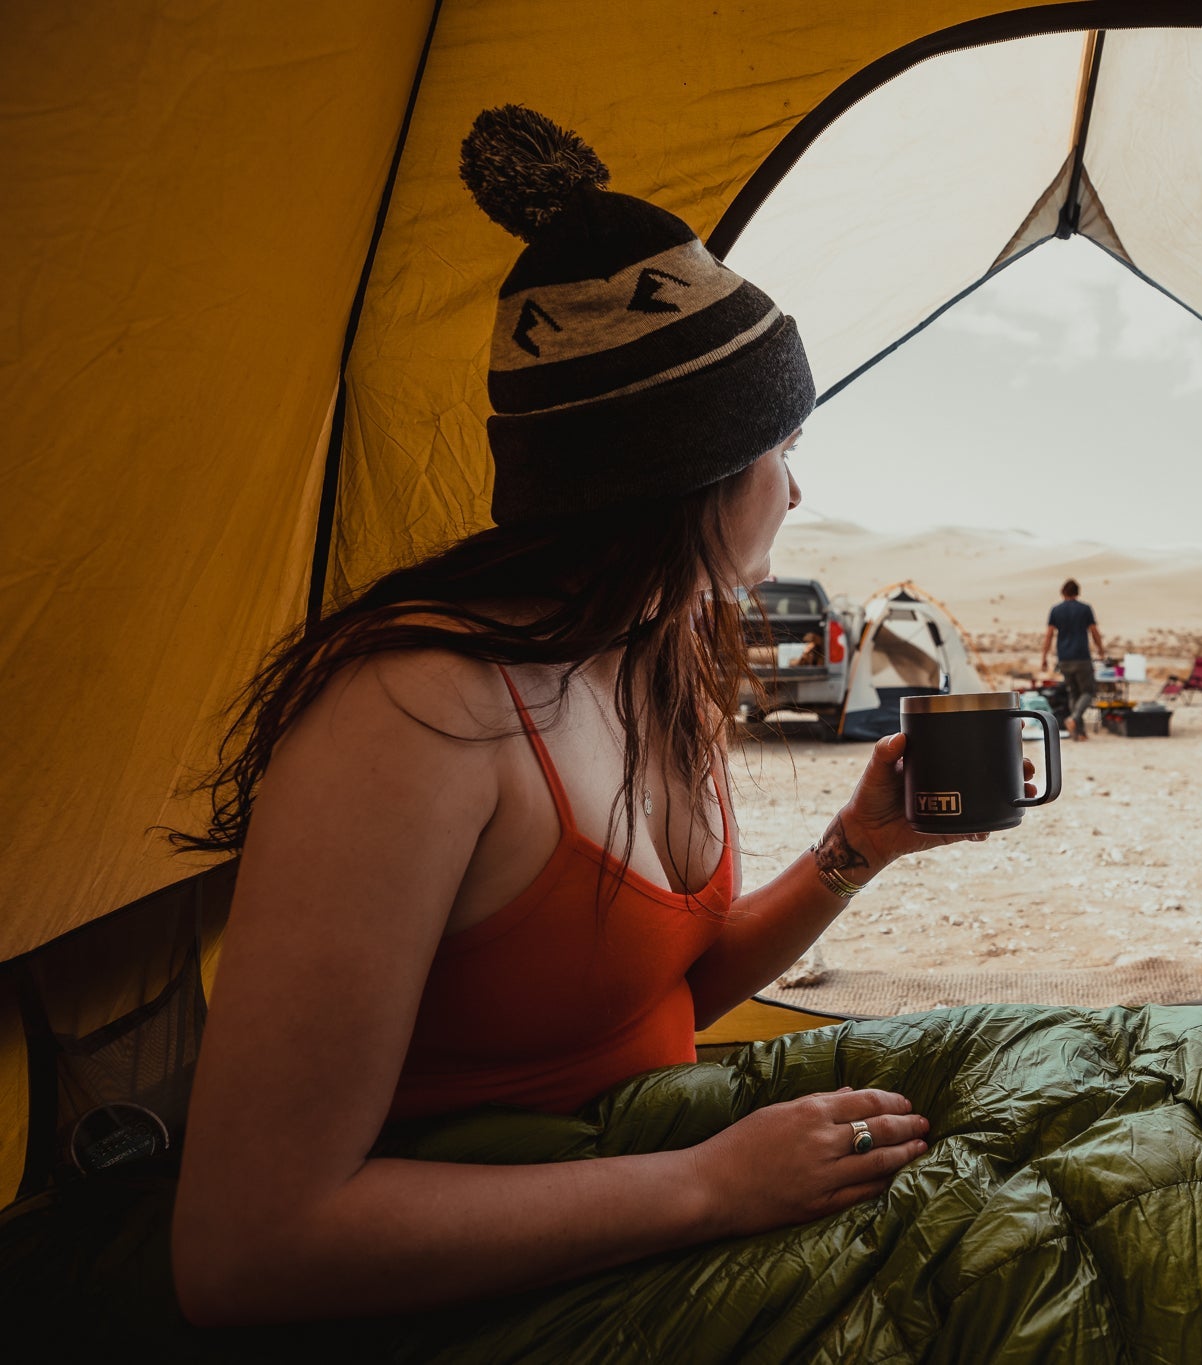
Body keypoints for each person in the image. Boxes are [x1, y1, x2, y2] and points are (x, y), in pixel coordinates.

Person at [167, 107, 1030, 1326]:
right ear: (684, 473)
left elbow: (654, 1003)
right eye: (782, 444)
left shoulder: (649, 654)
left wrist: (854, 850)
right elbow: (246, 1250)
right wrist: (705, 1189)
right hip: (496, 1276)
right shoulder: (415, 717)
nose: (799, 484)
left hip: (634, 1176)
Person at [1039, 578, 1105, 742]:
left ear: (1063, 592)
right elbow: (1094, 631)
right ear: (1077, 592)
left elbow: (1049, 635)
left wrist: (1044, 657)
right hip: (1082, 657)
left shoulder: (1056, 610)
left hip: (1064, 658)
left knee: (1073, 693)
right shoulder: (1085, 609)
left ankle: (1079, 733)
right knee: (1088, 691)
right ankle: (1075, 718)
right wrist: (1101, 649)